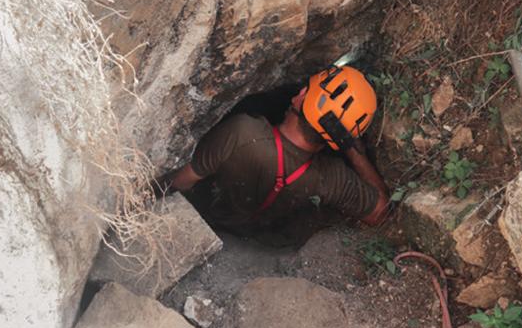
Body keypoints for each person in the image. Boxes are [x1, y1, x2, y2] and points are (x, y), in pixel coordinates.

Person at [167, 65, 395, 238]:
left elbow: (180, 181)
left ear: (301, 99)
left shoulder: (242, 132)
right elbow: (381, 212)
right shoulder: (332, 177)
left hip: (212, 218)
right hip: (257, 235)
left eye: (307, 90)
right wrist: (355, 152)